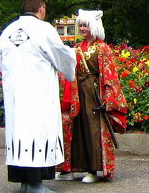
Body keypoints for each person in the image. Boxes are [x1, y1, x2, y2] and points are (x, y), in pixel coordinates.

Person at [0, 0, 76, 193]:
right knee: (36, 133)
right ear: (41, 9)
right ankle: (35, 182)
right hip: (37, 92)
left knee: (21, 132)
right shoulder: (43, 29)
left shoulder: (9, 30)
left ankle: (24, 181)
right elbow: (60, 54)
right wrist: (71, 59)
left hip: (16, 93)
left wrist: (13, 76)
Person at [55, 9, 128, 183]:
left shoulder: (103, 48)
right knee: (75, 128)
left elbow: (110, 75)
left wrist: (109, 98)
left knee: (92, 129)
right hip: (77, 92)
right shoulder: (77, 48)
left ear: (93, 26)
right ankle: (70, 169)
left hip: (94, 93)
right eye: (81, 24)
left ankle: (92, 170)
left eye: (86, 24)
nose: (82, 28)